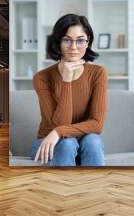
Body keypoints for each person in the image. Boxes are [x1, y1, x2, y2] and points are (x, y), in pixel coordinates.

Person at [29, 13, 108, 167]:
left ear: (87, 42)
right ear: (58, 42)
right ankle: (61, 189)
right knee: (68, 144)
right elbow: (60, 122)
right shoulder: (42, 78)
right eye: (67, 40)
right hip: (48, 142)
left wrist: (59, 132)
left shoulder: (98, 73)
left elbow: (97, 124)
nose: (73, 47)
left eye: (80, 41)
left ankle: (97, 189)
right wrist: (66, 80)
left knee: (92, 140)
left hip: (82, 141)